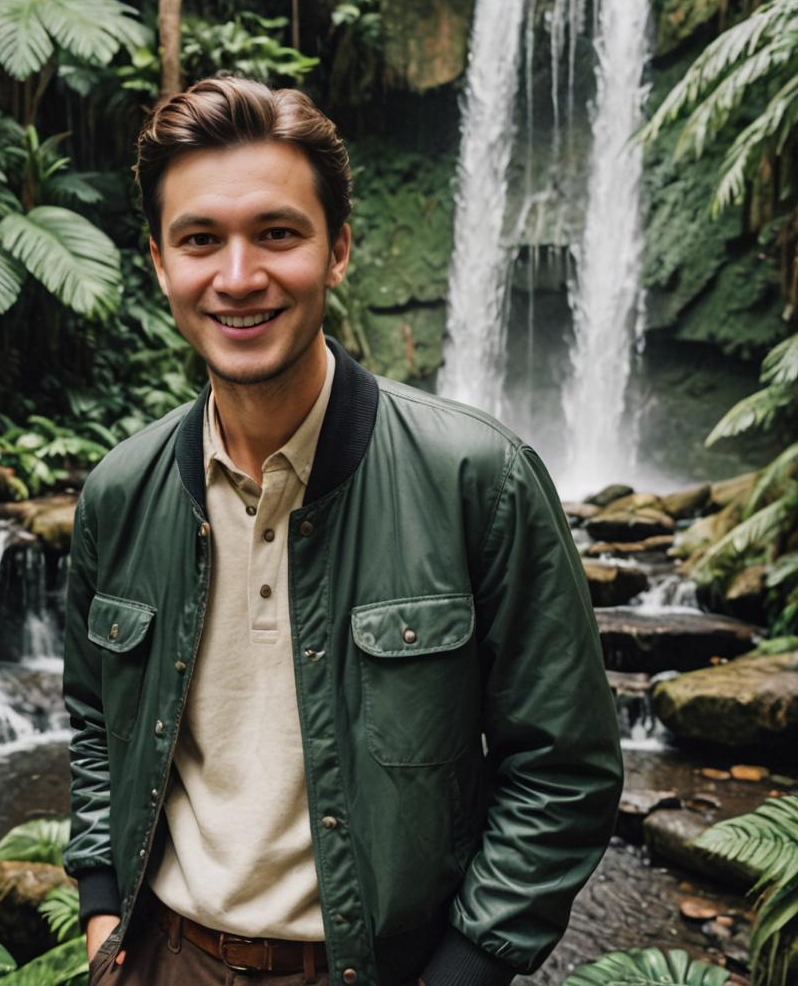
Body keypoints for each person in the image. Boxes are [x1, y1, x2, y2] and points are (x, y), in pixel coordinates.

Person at [61, 74, 624, 986]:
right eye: (201, 240)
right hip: (163, 956)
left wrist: (470, 966)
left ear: (339, 250)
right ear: (160, 263)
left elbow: (565, 767)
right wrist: (100, 916)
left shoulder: (478, 480)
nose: (238, 277)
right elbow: (96, 721)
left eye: (277, 233)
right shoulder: (119, 494)